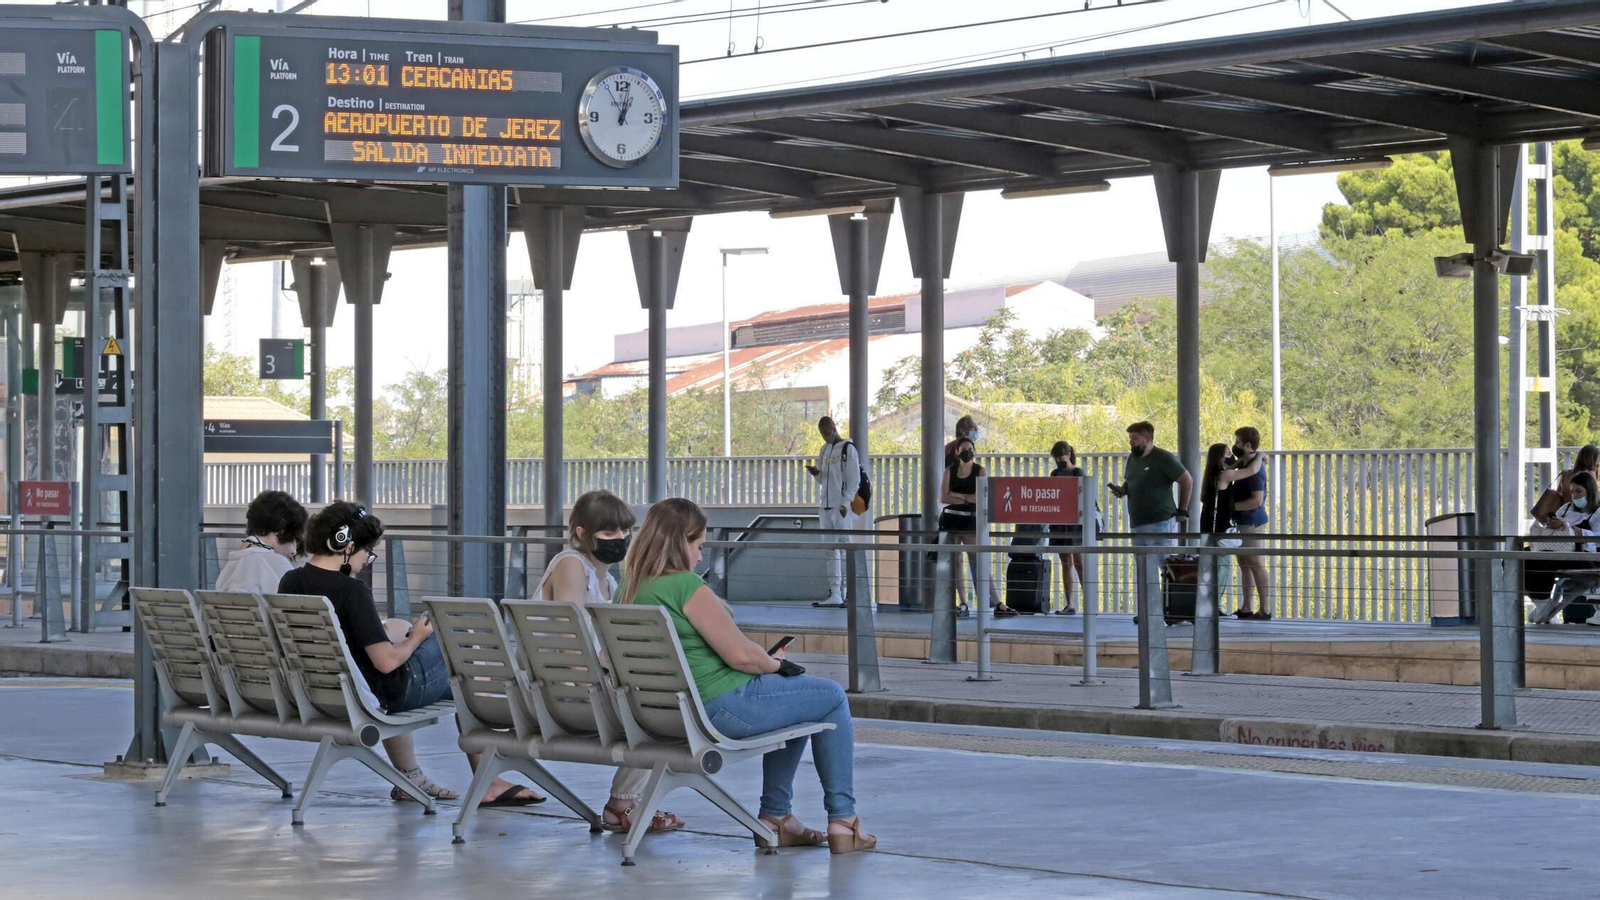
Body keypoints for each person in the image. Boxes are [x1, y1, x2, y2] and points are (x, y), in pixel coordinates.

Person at [618, 498, 875, 855]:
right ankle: (843, 822)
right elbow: (742, 657)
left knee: (799, 699)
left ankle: (777, 819)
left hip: (658, 713)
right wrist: (776, 665)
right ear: (680, 544)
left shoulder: (628, 590)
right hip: (717, 708)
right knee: (830, 697)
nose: (699, 557)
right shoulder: (686, 587)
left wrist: (772, 670)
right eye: (698, 546)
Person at [278, 502, 539, 807]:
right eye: (367, 552)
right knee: (460, 648)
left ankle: (421, 775)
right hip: (384, 694)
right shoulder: (352, 591)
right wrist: (416, 637)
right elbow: (386, 663)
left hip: (322, 693)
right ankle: (490, 778)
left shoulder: (290, 582)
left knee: (410, 635)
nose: (367, 561)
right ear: (346, 547)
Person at [535, 490, 683, 835]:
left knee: (662, 696)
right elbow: (572, 643)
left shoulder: (609, 580)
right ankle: (624, 802)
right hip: (559, 696)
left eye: (623, 532)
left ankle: (627, 801)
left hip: (569, 689)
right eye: (608, 533)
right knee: (658, 708)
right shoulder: (571, 565)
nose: (619, 540)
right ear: (581, 533)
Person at [940, 436, 1010, 616]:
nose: (966, 452)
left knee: (978, 560)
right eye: (963, 449)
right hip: (952, 521)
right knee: (956, 561)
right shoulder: (950, 470)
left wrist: (958, 496)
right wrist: (966, 497)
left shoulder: (980, 471)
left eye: (970, 449)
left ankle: (997, 601)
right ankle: (963, 602)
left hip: (971, 521)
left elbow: (980, 498)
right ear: (957, 452)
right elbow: (943, 497)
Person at [1529, 472, 1600, 625]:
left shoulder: (1597, 512)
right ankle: (1541, 600)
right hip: (1559, 550)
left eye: (1578, 491)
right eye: (1572, 491)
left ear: (1590, 490)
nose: (1574, 496)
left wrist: (1571, 528)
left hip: (1585, 556)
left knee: (1541, 561)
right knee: (1516, 557)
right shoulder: (1566, 508)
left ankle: (1543, 602)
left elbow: (1597, 538)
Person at [805, 417, 863, 604]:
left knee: (845, 547)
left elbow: (854, 481)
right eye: (822, 434)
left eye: (827, 432)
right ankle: (835, 592)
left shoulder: (848, 449)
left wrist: (845, 502)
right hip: (825, 505)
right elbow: (823, 480)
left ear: (834, 429)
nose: (825, 437)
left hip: (840, 506)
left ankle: (849, 593)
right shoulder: (824, 450)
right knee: (829, 549)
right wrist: (816, 474)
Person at [1108, 421, 1193, 546]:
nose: (1131, 442)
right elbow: (1130, 481)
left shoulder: (1163, 457)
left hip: (1161, 521)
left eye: (1135, 438)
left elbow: (1187, 480)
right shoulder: (1132, 458)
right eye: (1130, 438)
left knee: (1166, 562)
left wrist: (1182, 509)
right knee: (1143, 563)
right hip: (1137, 522)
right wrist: (1123, 490)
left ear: (1147, 439)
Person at [1217, 427, 1271, 620]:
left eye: (1238, 442)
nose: (1235, 445)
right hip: (1241, 521)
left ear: (1248, 445)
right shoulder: (1245, 466)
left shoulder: (1254, 472)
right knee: (1245, 564)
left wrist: (1231, 508)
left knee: (1256, 563)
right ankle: (1247, 606)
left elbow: (1256, 500)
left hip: (1251, 522)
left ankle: (1265, 609)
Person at [214, 490, 307, 594]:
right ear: (281, 531)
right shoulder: (276, 562)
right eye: (295, 541)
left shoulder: (233, 563)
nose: (294, 551)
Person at [1048, 441, 1088, 615]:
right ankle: (1070, 603)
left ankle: (1089, 602)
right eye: (1057, 459)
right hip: (1059, 519)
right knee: (1066, 562)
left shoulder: (1078, 472)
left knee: (1079, 562)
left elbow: (1082, 493)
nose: (1059, 462)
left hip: (1074, 521)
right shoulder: (1054, 473)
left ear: (1069, 454)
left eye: (1062, 458)